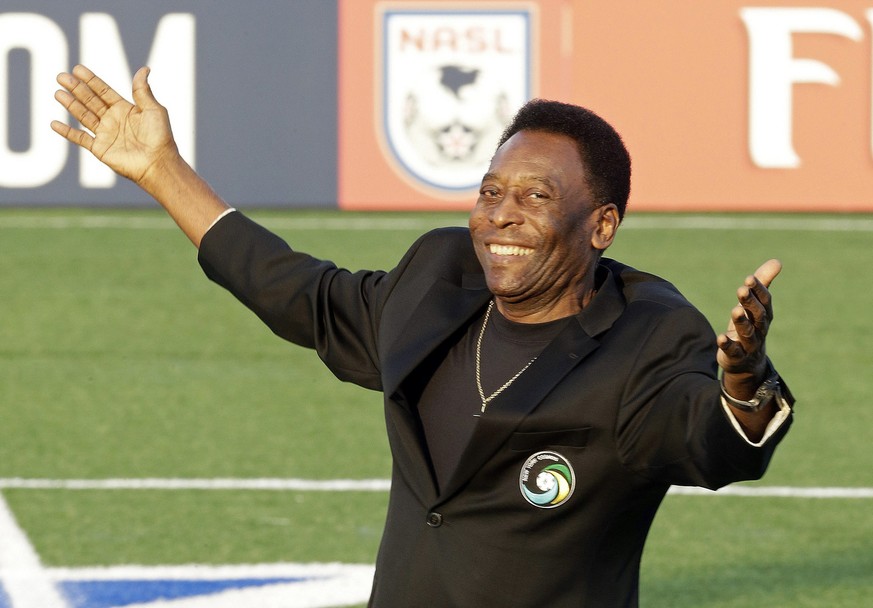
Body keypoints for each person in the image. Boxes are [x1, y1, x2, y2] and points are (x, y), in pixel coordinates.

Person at [52, 65, 794, 607]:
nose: (499, 216)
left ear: (601, 224)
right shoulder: (440, 277)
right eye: (491, 192)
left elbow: (711, 446)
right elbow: (299, 293)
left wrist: (740, 381)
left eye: (536, 197)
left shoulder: (649, 335)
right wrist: (161, 170)